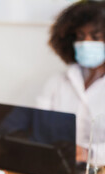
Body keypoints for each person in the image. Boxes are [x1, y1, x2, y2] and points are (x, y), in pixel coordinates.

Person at [36, 1, 105, 164]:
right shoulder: (58, 81)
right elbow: (39, 126)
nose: (86, 43)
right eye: (80, 36)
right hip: (59, 165)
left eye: (96, 37)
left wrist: (89, 153)